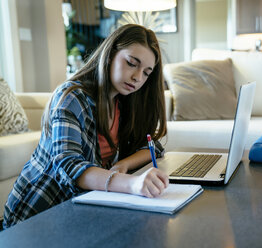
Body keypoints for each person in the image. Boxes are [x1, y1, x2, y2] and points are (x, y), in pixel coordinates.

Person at [3, 24, 169, 229]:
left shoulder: (124, 102)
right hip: (37, 215)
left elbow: (153, 146)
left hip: (82, 211)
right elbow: (68, 164)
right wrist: (132, 184)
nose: (138, 77)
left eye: (146, 73)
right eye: (131, 63)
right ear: (110, 54)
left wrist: (123, 165)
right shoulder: (72, 97)